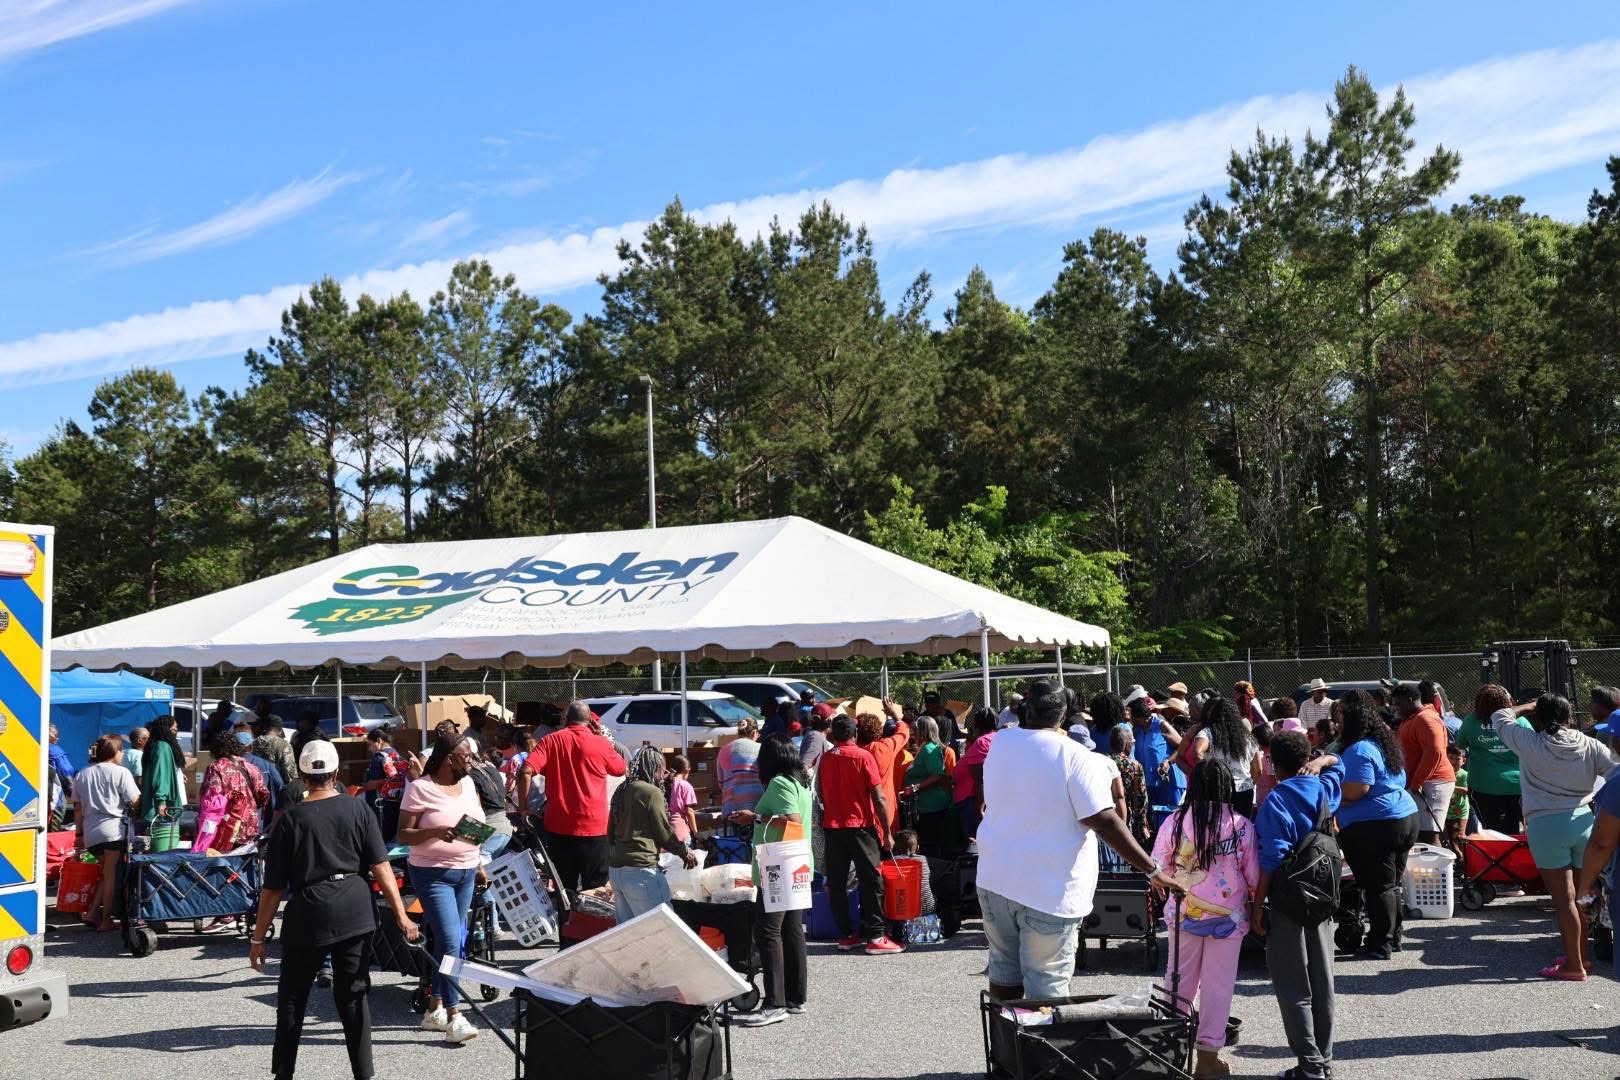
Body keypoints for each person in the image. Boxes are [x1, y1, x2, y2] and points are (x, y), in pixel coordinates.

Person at [978, 687, 1179, 1000]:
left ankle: (1007, 1046)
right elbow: (1102, 819)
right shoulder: (1074, 755)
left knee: (1004, 971)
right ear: (1064, 717)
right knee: (1046, 987)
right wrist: (1151, 870)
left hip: (994, 880)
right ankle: (1037, 1049)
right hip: (1048, 890)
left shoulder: (1000, 743)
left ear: (1026, 711)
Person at [253, 737, 417, 1080]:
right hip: (355, 909)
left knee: (293, 998)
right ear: (337, 772)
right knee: (354, 995)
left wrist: (258, 938)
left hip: (309, 911)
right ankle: (364, 1074)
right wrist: (401, 916)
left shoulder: (292, 819)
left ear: (301, 774)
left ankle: (283, 1074)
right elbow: (381, 865)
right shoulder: (359, 808)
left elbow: (273, 888)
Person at [1486, 695, 1615, 980]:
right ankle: (1581, 956)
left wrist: (1527, 706)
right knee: (1583, 895)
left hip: (1545, 825)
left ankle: (1574, 965)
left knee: (1564, 900)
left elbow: (1499, 716)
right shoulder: (1590, 743)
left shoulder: (1529, 742)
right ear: (1570, 716)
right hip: (1584, 820)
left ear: (1538, 718)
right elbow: (1614, 773)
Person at [1151, 758, 1258, 1079]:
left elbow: (1158, 867)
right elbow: (1252, 876)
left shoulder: (1174, 821)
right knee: (1218, 986)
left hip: (1183, 915)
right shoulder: (1241, 826)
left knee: (1177, 982)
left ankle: (1169, 1051)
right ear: (1228, 787)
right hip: (1229, 920)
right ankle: (1207, 1059)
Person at [1251, 730, 1343, 1080]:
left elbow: (1271, 858)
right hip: (1323, 895)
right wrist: (1322, 760)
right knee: (1323, 981)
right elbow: (1341, 764)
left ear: (1273, 764)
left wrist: (1258, 906)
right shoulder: (1323, 788)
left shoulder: (1276, 800)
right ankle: (1325, 1059)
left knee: (1293, 985)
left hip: (1289, 898)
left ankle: (1310, 1065)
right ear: (1307, 759)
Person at [397, 734, 485, 1043]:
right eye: (467, 755)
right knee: (450, 940)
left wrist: (478, 864)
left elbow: (473, 825)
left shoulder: (469, 785)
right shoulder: (420, 788)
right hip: (432, 874)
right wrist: (434, 831)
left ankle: (433, 1008)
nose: (472, 760)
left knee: (451, 941)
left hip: (466, 870)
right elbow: (403, 835)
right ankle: (454, 1014)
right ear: (450, 759)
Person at [728, 733, 814, 1026]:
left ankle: (774, 1002)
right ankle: (795, 997)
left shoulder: (779, 783)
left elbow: (792, 820)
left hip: (779, 865)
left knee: (767, 931)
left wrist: (755, 817)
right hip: (798, 863)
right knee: (792, 930)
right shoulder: (801, 782)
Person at [1334, 690, 1419, 961]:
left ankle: (1379, 943)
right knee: (1391, 884)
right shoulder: (1385, 745)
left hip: (1376, 825)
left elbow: (1357, 789)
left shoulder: (1359, 749)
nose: (1338, 725)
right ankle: (1393, 937)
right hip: (1403, 817)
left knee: (1378, 886)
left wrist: (1333, 793)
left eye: (1342, 721)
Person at [516, 701, 628, 898]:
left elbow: (525, 770)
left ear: (566, 719)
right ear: (589, 722)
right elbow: (620, 768)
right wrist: (601, 737)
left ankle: (566, 924)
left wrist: (524, 809)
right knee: (595, 889)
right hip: (595, 827)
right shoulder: (600, 743)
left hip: (559, 826)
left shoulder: (551, 740)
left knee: (564, 887)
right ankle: (590, 927)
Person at [817, 713, 900, 954]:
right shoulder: (864, 756)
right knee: (872, 879)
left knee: (837, 882)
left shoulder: (825, 759)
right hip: (861, 826)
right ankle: (875, 935)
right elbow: (879, 796)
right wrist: (886, 831)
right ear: (854, 733)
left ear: (833, 734)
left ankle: (846, 934)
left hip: (833, 827)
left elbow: (821, 794)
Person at [607, 745, 695, 922]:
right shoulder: (651, 792)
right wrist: (684, 852)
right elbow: (663, 833)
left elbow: (610, 831)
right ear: (655, 768)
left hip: (616, 871)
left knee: (629, 934)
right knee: (663, 929)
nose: (663, 775)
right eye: (661, 770)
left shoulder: (622, 789)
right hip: (641, 872)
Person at [72, 735, 140, 931]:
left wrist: (79, 834)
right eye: (121, 750)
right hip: (113, 830)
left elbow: (77, 807)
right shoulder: (121, 772)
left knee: (105, 873)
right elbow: (134, 799)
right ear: (115, 752)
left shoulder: (83, 774)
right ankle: (106, 918)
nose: (122, 754)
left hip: (91, 832)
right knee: (111, 874)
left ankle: (93, 912)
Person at [1391, 683, 1455, 844]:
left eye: (1398, 704)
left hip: (1432, 783)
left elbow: (1434, 752)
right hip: (1421, 784)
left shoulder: (1426, 719)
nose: (1395, 708)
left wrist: (1417, 782)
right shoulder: (1412, 718)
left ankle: (1441, 869)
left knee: (1429, 834)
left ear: (1410, 700)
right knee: (1419, 833)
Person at [1190, 696, 1262, 817]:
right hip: (1244, 792)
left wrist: (1209, 776)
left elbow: (1197, 753)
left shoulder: (1208, 732)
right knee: (1241, 828)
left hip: (1217, 789)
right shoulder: (1247, 737)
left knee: (1216, 829)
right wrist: (1247, 784)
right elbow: (1258, 770)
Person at [1127, 690, 1184, 830]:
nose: (1129, 718)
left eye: (1131, 715)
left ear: (1139, 717)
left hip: (1169, 784)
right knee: (1155, 822)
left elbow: (1182, 747)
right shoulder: (1136, 731)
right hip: (1149, 784)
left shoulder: (1161, 726)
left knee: (1175, 819)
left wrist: (1168, 762)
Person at [901, 716, 951, 855]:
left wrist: (915, 787)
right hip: (926, 805)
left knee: (930, 843)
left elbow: (937, 774)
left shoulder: (929, 749)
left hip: (932, 806)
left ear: (923, 731)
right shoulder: (925, 748)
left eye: (915, 730)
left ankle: (932, 870)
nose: (913, 732)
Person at [139, 715, 186, 853]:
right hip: (164, 809)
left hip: (155, 807)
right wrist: (162, 801)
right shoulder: (163, 747)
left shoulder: (153, 746)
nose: (176, 732)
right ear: (166, 730)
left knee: (157, 848)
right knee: (165, 852)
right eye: (174, 729)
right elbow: (161, 775)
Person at [954, 707, 998, 842]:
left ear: (976, 724)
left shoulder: (982, 742)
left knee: (974, 842)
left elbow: (980, 779)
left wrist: (979, 809)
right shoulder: (996, 738)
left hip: (973, 800)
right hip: (981, 799)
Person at [360, 726, 407, 843]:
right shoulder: (397, 755)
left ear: (379, 741)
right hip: (398, 801)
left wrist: (362, 788)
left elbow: (373, 783)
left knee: (381, 838)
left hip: (380, 804)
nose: (370, 749)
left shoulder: (378, 757)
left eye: (371, 744)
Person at [467, 744, 514, 860]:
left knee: (474, 868)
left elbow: (475, 811)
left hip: (489, 829)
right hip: (505, 828)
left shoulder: (470, 776)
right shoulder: (492, 770)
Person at [1108, 724, 1151, 847]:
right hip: (1127, 818)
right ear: (1128, 745)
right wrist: (1142, 824)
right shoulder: (1134, 766)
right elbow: (1142, 797)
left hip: (1105, 815)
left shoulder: (1102, 761)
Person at [717, 716, 764, 818]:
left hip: (731, 807)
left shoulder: (723, 750)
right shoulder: (761, 749)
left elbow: (721, 782)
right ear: (754, 732)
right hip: (756, 806)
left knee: (735, 834)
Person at [253, 712, 298, 784]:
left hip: (257, 786)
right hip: (277, 788)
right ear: (280, 731)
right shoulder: (283, 745)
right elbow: (289, 771)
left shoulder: (253, 743)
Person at [1444, 744, 1470, 857]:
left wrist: (1450, 786)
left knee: (1460, 835)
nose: (1454, 761)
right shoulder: (1444, 773)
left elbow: (1466, 790)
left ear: (1463, 760)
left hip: (1461, 810)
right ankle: (1460, 858)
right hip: (1448, 811)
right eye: (1451, 758)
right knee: (1452, 838)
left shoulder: (1464, 775)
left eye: (1457, 759)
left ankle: (1466, 859)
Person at [799, 704, 833, 775]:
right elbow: (804, 766)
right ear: (828, 721)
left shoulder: (815, 735)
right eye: (831, 718)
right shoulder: (816, 737)